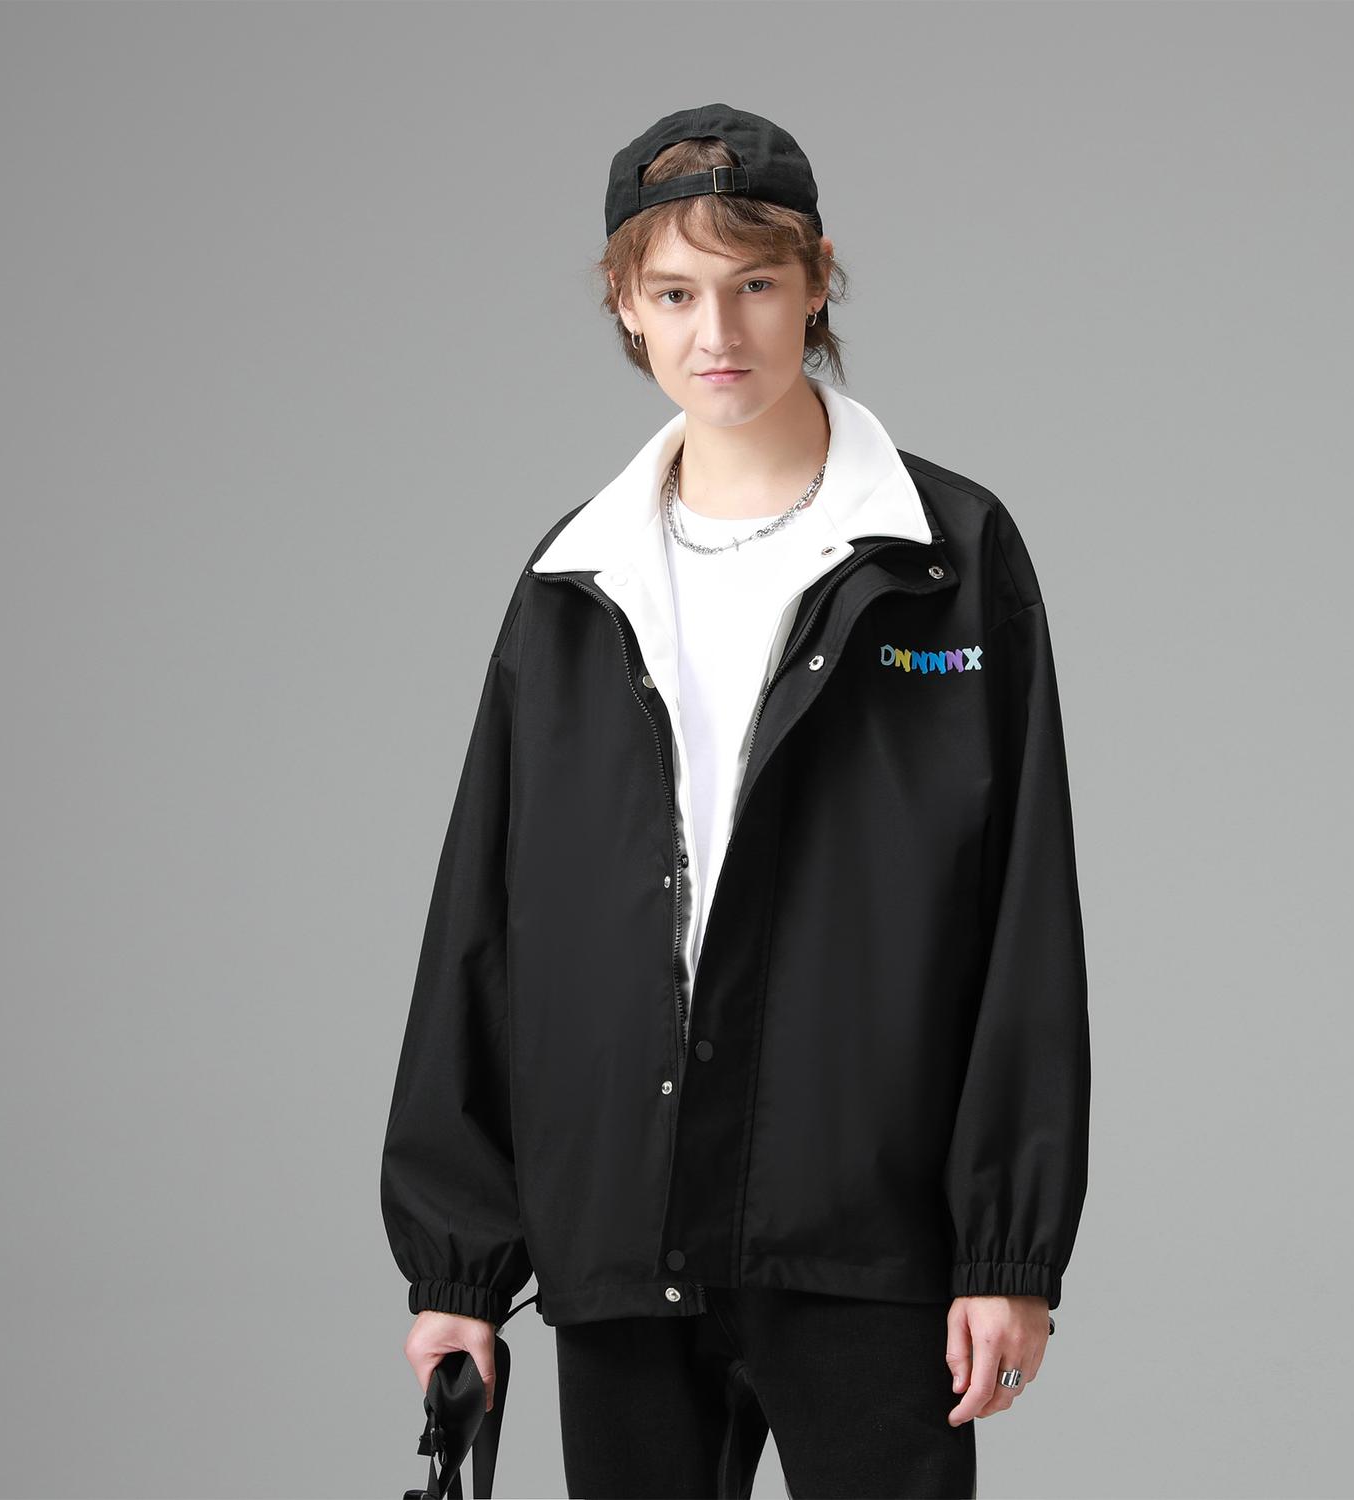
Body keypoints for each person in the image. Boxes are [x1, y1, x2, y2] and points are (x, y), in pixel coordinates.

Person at [381, 103, 1091, 1500]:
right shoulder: (572, 582)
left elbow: (1026, 911)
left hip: (865, 1236)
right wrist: (459, 1271)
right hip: (620, 1246)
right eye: (675, 294)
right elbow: (483, 925)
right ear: (625, 307)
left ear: (818, 280)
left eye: (756, 283)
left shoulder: (948, 557)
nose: (719, 332)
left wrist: (1006, 1252)